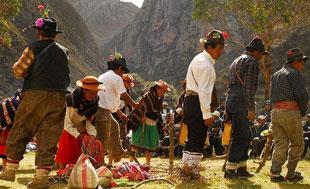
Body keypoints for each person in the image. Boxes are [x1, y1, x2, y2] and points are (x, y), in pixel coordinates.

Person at [0, 17, 70, 188]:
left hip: (35, 94)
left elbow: (19, 70)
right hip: (59, 96)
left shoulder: (33, 47)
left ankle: (10, 170)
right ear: (55, 35)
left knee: (22, 127)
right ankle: (41, 177)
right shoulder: (64, 51)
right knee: (50, 134)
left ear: (39, 32)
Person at [181, 29, 227, 178]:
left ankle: (187, 168)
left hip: (190, 101)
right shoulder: (206, 66)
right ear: (210, 47)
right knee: (198, 137)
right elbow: (205, 93)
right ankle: (192, 171)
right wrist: (207, 115)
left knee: (193, 136)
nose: (221, 53)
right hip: (196, 102)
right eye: (219, 49)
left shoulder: (198, 59)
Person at [225, 36, 268, 179]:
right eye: (261, 53)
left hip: (231, 100)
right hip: (241, 101)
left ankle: (241, 168)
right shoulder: (252, 62)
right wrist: (250, 108)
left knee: (244, 135)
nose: (262, 56)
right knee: (242, 136)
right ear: (255, 51)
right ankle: (231, 169)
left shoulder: (235, 61)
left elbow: (230, 86)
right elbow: (249, 88)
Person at [270, 48, 309, 182]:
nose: (302, 65)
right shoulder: (294, 74)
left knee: (280, 143)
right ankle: (291, 174)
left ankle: (275, 173)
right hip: (290, 112)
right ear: (296, 62)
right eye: (301, 62)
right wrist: (303, 112)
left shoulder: (275, 75)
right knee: (297, 144)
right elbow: (302, 96)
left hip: (275, 112)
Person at [95, 52, 140, 167]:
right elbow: (124, 95)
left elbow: (108, 98)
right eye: (123, 71)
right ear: (120, 68)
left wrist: (119, 113)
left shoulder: (104, 76)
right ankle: (99, 164)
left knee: (114, 127)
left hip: (101, 109)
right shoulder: (117, 78)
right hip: (102, 111)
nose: (123, 73)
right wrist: (135, 104)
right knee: (103, 139)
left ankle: (117, 153)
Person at [55, 76, 104, 169]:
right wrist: (78, 135)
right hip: (67, 127)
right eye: (92, 92)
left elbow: (89, 122)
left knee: (95, 143)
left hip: (81, 127)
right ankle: (62, 168)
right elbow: (67, 123)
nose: (94, 96)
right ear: (84, 90)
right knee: (68, 143)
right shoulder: (71, 99)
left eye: (96, 93)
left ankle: (85, 168)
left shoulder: (94, 103)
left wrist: (92, 135)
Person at [129, 80, 171, 167]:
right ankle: (131, 161)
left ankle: (148, 163)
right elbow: (141, 106)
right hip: (143, 121)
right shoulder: (147, 96)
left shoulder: (160, 98)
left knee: (150, 142)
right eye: (161, 90)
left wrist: (158, 122)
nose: (162, 93)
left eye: (164, 91)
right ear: (156, 88)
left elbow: (157, 110)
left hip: (153, 122)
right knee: (136, 141)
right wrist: (142, 116)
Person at [0, 89, 22, 171]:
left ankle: (6, 167)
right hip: (7, 130)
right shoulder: (9, 103)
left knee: (6, 148)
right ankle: (5, 167)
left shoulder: (9, 102)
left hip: (9, 130)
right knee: (4, 148)